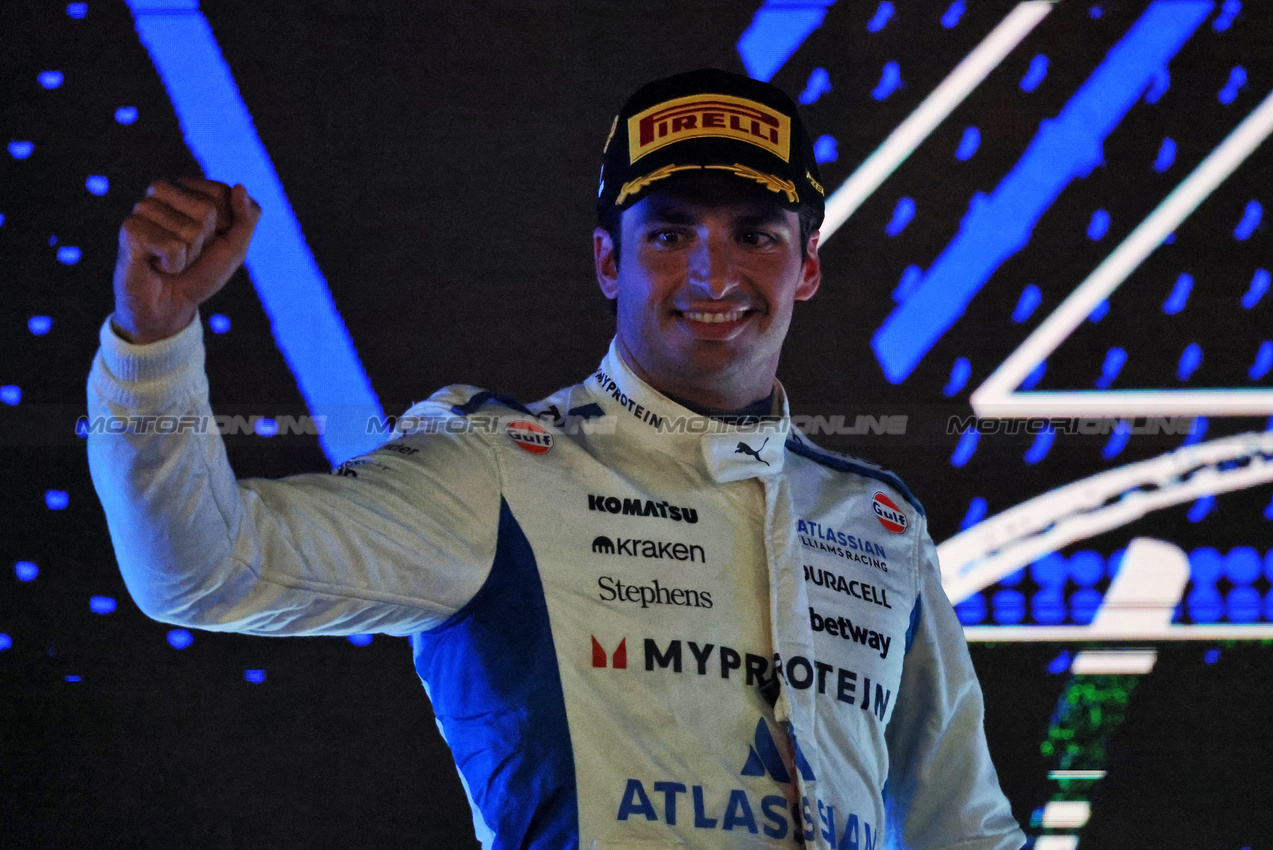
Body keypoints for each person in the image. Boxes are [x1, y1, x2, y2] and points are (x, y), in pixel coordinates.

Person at [89, 68, 1025, 849]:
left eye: (754, 234)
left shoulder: (877, 518)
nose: (713, 273)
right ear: (608, 262)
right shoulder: (497, 466)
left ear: (806, 266)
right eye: (670, 234)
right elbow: (202, 571)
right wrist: (152, 342)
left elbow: (962, 831)